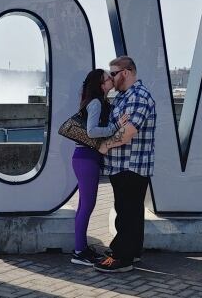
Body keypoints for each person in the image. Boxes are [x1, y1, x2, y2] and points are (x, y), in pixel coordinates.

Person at [94, 56, 156, 273]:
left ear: (126, 72)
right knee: (132, 211)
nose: (111, 78)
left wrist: (105, 146)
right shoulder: (123, 97)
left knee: (127, 212)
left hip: (132, 165)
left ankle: (122, 258)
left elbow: (128, 133)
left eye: (113, 73)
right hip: (122, 165)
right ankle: (133, 252)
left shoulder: (139, 96)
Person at [70, 69, 129, 266]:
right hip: (86, 159)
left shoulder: (99, 101)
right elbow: (92, 131)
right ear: (100, 84)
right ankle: (79, 253)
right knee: (87, 206)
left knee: (84, 206)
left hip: (86, 159)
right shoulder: (95, 103)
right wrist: (115, 127)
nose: (111, 80)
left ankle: (81, 248)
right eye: (107, 78)